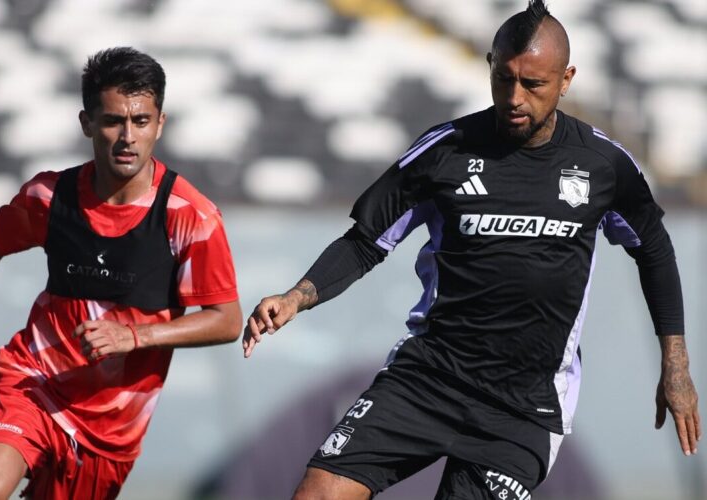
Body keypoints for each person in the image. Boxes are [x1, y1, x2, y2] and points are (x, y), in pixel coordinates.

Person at [243, 1, 701, 499]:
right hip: (429, 378)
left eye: (533, 84)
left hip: (524, 407)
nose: (514, 97)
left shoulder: (603, 165)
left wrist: (675, 366)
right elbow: (365, 242)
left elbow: (654, 251)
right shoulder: (445, 150)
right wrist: (297, 296)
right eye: (503, 79)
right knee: (316, 493)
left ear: (566, 79)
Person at [0, 47, 242, 499]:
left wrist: (135, 336)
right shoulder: (51, 195)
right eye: (112, 121)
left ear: (160, 124)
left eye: (141, 121)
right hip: (35, 381)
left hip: (110, 431)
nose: (127, 136)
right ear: (87, 122)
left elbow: (226, 320)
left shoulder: (190, 216)